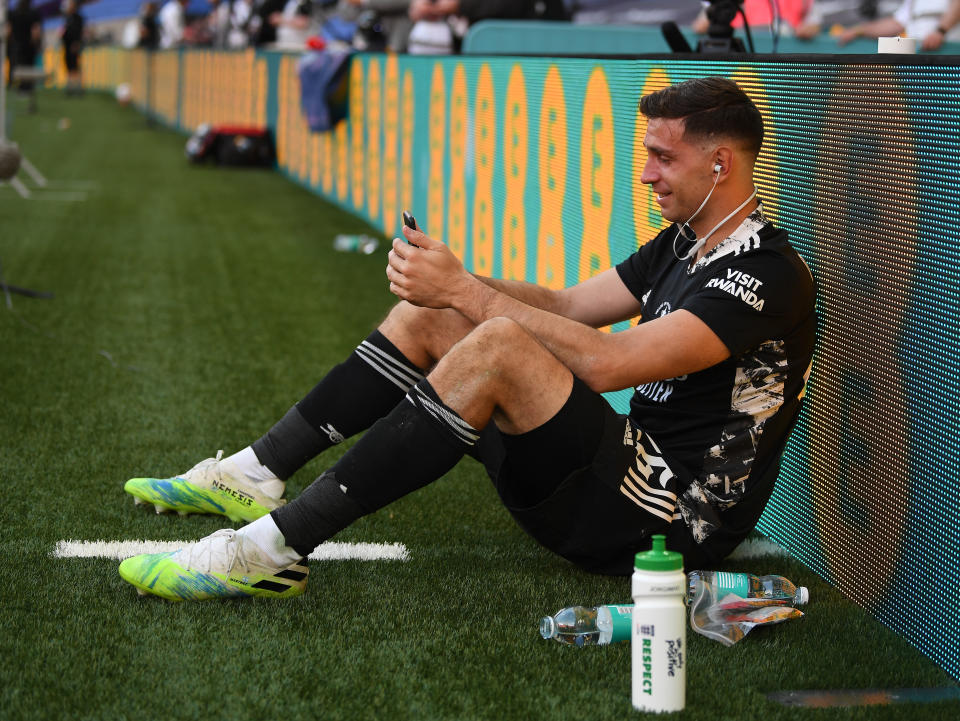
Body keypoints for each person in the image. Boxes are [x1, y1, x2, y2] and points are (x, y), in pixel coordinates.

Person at [117, 76, 816, 602]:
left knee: (498, 338)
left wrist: (470, 295)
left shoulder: (766, 274)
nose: (645, 173)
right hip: (618, 480)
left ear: (720, 164)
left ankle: (270, 549)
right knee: (439, 317)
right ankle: (254, 474)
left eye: (662, 158)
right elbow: (572, 304)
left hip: (672, 522)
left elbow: (611, 362)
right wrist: (453, 280)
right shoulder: (684, 240)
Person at [837, 0, 960, 46]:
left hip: (950, 55)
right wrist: (858, 30)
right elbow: (896, 23)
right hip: (922, 60)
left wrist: (940, 32)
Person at [6, 0, 42, 91]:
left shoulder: (13, 13)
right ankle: (27, 87)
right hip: (29, 45)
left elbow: (8, 30)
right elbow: (36, 31)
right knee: (28, 66)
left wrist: (8, 41)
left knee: (15, 65)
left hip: (16, 44)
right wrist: (36, 43)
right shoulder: (34, 13)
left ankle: (13, 85)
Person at [61, 0, 84, 96]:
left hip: (74, 46)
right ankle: (70, 88)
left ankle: (79, 88)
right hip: (67, 46)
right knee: (69, 67)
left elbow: (78, 32)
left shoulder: (78, 18)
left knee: (76, 67)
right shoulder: (67, 18)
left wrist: (76, 43)